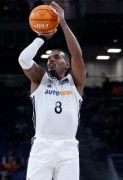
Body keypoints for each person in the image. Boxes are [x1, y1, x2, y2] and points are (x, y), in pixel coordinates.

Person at [18, 1, 85, 180]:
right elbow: (24, 59)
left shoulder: (76, 83)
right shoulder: (40, 78)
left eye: (56, 57)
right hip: (42, 145)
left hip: (68, 147)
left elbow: (77, 54)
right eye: (48, 58)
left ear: (68, 64)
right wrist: (41, 37)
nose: (51, 60)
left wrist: (62, 22)